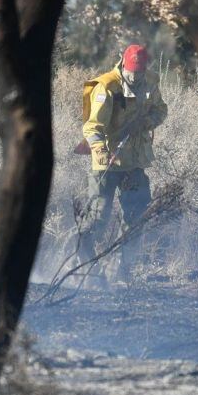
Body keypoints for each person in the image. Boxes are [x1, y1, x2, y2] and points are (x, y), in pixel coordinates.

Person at [76, 44, 167, 286]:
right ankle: (89, 272)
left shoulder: (150, 81)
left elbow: (161, 110)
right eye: (132, 71)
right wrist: (101, 151)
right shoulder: (106, 87)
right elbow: (92, 127)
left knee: (136, 217)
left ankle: (123, 272)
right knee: (97, 219)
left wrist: (146, 122)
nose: (136, 76)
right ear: (123, 64)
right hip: (106, 163)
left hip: (134, 162)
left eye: (140, 71)